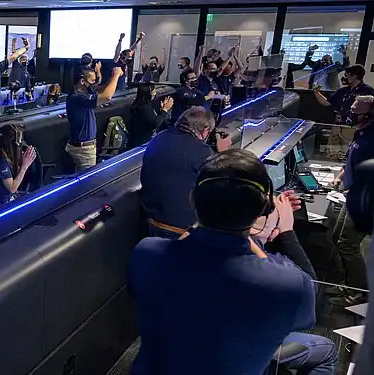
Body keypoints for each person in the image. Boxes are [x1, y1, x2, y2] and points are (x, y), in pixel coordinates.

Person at [130, 149, 337, 375]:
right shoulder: (288, 283)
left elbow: (195, 246)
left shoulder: (146, 253)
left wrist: (246, 230)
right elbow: (308, 309)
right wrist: (285, 231)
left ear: (192, 199)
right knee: (327, 350)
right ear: (265, 208)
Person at [140, 106, 231, 239]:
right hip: (182, 232)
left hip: (149, 225)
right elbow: (223, 185)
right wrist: (223, 153)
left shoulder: (158, 139)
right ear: (206, 131)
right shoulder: (202, 150)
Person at [324, 95, 374, 306]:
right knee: (337, 237)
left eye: (354, 111)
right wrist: (341, 177)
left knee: (347, 244)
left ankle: (358, 291)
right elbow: (353, 161)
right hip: (353, 195)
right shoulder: (360, 133)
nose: (349, 114)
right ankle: (345, 283)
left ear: (369, 114)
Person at [65, 67, 124, 172]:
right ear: (82, 81)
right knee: (88, 180)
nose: (94, 84)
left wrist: (112, 77)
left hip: (82, 147)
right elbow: (106, 97)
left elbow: (101, 89)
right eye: (92, 81)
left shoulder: (84, 91)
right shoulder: (77, 97)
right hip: (83, 151)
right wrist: (116, 75)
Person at [0, 124, 37, 209]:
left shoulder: (7, 156)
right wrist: (25, 166)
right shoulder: (0, 160)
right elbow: (12, 188)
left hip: (9, 199)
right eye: (19, 143)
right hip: (2, 204)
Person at [128, 83, 172, 149]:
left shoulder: (143, 104)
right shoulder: (143, 107)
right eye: (153, 92)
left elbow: (152, 118)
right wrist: (165, 110)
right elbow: (154, 124)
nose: (155, 93)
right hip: (142, 143)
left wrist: (162, 110)